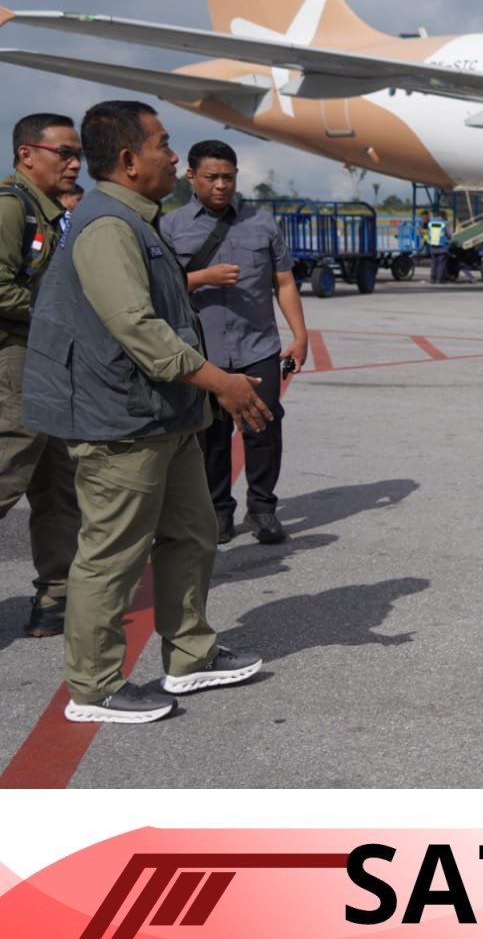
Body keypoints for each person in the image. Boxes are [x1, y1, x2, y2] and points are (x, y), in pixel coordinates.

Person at [22, 101, 269, 723]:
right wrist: (221, 383)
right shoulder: (108, 226)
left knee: (192, 532)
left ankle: (190, 654)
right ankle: (94, 687)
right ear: (130, 160)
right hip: (123, 421)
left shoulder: (136, 218)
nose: (174, 157)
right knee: (113, 554)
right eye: (163, 143)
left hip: (165, 414)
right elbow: (137, 329)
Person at [164, 140, 308, 545]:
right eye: (212, 177)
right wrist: (202, 278)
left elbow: (284, 282)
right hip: (202, 349)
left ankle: (262, 508)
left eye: (228, 177)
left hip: (257, 345)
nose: (221, 185)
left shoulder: (262, 223)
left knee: (264, 426)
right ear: (191, 176)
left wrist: (300, 336)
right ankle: (218, 510)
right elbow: (159, 289)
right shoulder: (170, 227)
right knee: (210, 434)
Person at [0, 114, 83, 637]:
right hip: (17, 358)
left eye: (78, 154)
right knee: (6, 471)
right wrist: (59, 315)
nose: (75, 163)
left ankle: (56, 596)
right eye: (64, 153)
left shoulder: (49, 213)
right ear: (27, 154)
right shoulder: (11, 207)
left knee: (57, 484)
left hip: (46, 359)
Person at [427, 215, 450, 283]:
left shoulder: (430, 224)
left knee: (433, 263)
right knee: (441, 263)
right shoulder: (444, 224)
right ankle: (439, 279)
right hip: (442, 247)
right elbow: (449, 235)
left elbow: (428, 233)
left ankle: (432, 278)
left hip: (433, 246)